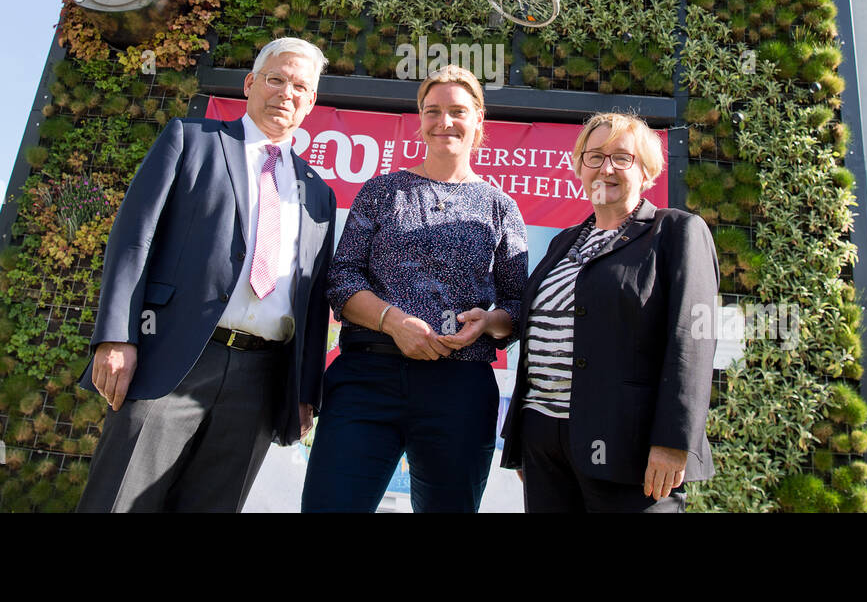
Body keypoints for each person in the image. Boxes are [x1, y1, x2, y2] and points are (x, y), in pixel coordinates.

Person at [76, 37, 337, 512]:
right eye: (275, 79)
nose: (286, 93)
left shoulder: (318, 193)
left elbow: (315, 298)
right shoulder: (190, 141)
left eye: (300, 86)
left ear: (311, 102)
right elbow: (134, 241)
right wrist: (117, 337)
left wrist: (304, 391)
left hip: (261, 379)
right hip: (171, 359)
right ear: (250, 83)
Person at [300, 65, 528, 513]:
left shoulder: (502, 207)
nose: (445, 122)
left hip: (460, 387)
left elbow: (518, 304)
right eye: (433, 111)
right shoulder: (382, 191)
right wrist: (394, 322)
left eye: (458, 111)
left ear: (480, 119)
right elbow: (342, 278)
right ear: (419, 119)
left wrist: (488, 322)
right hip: (367, 379)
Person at [499, 111, 719, 512]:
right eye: (595, 156)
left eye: (623, 157)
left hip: (626, 444)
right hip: (544, 441)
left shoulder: (676, 232)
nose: (607, 168)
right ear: (580, 167)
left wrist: (673, 440)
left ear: (647, 169)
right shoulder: (563, 242)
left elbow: (694, 339)